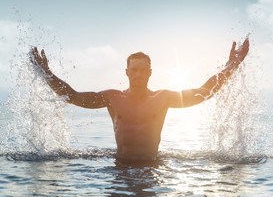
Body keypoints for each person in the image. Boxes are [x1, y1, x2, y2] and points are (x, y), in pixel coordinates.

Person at [30, 37, 249, 160]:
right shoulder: (112, 98)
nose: (138, 75)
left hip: (152, 167)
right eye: (133, 70)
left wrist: (232, 66)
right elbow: (74, 97)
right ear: (126, 72)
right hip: (119, 167)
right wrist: (47, 74)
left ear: (150, 72)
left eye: (143, 70)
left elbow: (202, 93)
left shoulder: (163, 97)